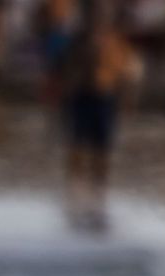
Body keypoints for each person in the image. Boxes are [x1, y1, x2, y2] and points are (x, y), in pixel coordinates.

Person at [59, 11, 137, 232]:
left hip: (104, 98)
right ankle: (76, 193)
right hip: (84, 98)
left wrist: (126, 100)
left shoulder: (114, 41)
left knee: (101, 151)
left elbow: (125, 72)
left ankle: (98, 195)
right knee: (78, 148)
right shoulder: (79, 41)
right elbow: (68, 70)